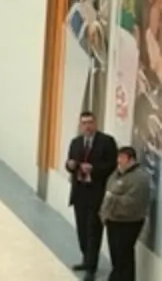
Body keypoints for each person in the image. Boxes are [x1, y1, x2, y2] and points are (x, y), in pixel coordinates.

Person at [65, 111, 117, 278]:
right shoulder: (76, 142)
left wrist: (94, 169)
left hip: (96, 193)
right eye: (84, 123)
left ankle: (91, 267)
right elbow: (70, 163)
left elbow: (111, 166)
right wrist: (70, 165)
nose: (87, 126)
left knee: (93, 230)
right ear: (80, 125)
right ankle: (86, 259)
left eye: (90, 122)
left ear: (95, 124)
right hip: (79, 192)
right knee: (81, 229)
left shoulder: (106, 142)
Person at [100, 146, 151, 281]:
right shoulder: (116, 174)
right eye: (118, 157)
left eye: (122, 158)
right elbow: (108, 192)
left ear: (131, 160)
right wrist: (104, 213)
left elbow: (132, 202)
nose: (119, 161)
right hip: (113, 220)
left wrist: (113, 198)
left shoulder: (140, 178)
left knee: (124, 255)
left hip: (128, 223)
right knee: (116, 255)